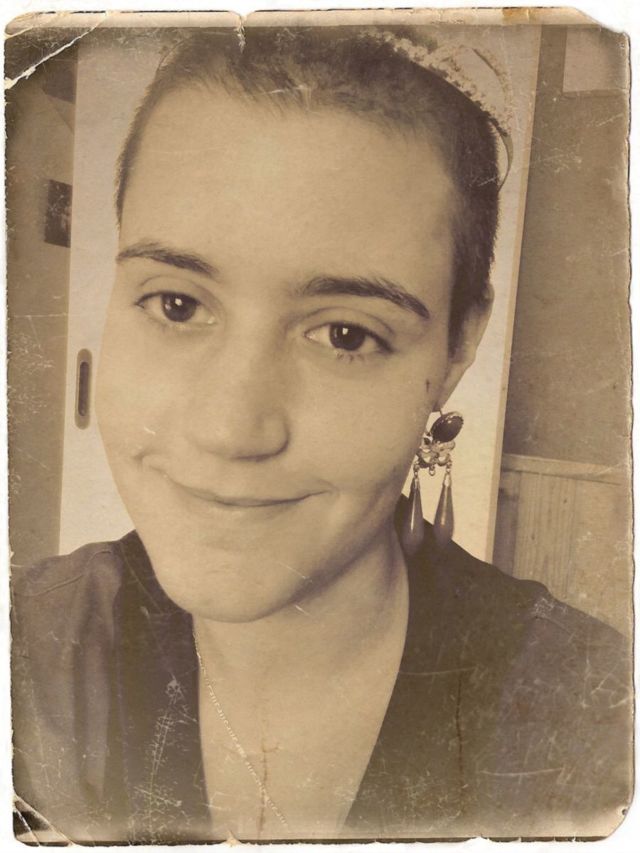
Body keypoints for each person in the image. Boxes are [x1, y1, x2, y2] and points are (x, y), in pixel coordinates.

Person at [11, 25, 632, 844]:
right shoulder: (30, 649)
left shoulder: (590, 717)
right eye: (177, 304)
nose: (231, 428)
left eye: (345, 334)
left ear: (456, 348)